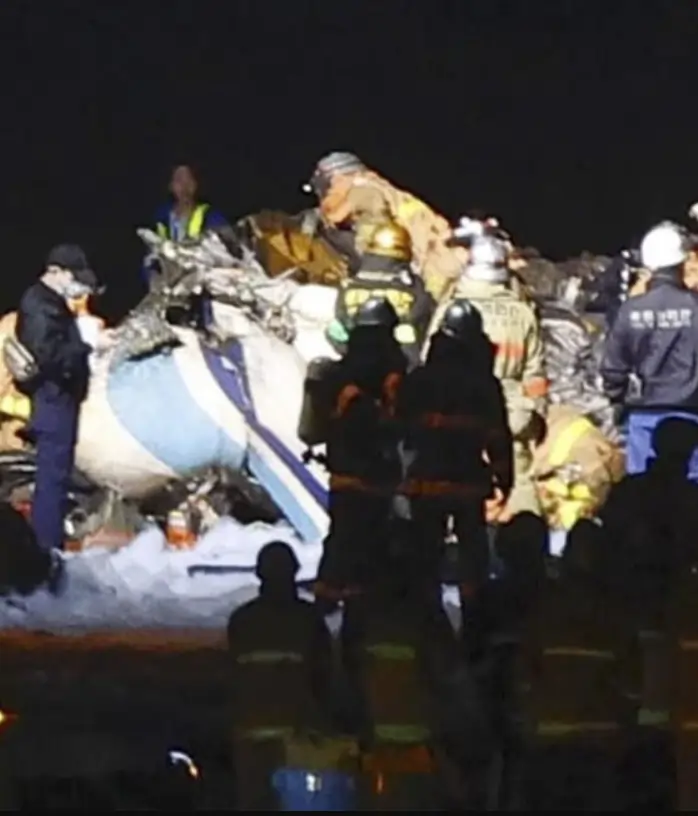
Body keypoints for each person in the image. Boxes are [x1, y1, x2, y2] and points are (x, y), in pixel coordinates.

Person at [398, 299, 513, 650]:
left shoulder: (419, 379)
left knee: (425, 557)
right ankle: (474, 626)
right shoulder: (485, 384)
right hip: (468, 483)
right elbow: (497, 436)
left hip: (426, 481)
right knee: (473, 559)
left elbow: (401, 429)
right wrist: (505, 478)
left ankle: (427, 625)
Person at [429, 234, 548, 520]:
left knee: (456, 486)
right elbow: (535, 373)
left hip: (457, 413)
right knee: (520, 485)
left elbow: (430, 365)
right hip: (510, 412)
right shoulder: (522, 314)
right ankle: (526, 548)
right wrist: (536, 417)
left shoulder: (451, 310)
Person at [298, 297, 406, 610]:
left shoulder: (334, 375)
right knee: (378, 542)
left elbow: (310, 431)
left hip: (343, 475)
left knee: (342, 539)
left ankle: (327, 599)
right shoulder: (396, 375)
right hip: (384, 474)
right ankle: (368, 603)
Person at [227, 541, 336, 810]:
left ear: (260, 574)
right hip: (298, 743)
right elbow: (325, 680)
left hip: (251, 744)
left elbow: (232, 679)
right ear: (294, 573)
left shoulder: (242, 620)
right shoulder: (307, 620)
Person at [14, 245, 105, 568]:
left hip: (59, 399)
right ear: (57, 272)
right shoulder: (39, 304)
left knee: (57, 476)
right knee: (52, 479)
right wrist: (84, 347)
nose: (78, 287)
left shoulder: (49, 303)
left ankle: (49, 547)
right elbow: (49, 354)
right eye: (75, 278)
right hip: (53, 400)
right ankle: (47, 552)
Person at [341, 571, 460, 810]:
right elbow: (448, 679)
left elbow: (345, 683)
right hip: (421, 746)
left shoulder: (361, 624)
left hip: (377, 745)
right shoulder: (427, 624)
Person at [600, 221, 698, 479]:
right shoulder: (695, 307)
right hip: (691, 416)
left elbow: (613, 367)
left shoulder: (631, 309)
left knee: (642, 491)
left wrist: (617, 398)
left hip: (643, 416)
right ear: (680, 262)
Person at [302, 152, 461, 299]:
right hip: (443, 265)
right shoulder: (383, 189)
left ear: (336, 179)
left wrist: (368, 276)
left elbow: (374, 232)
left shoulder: (364, 191)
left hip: (429, 273)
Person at [327, 222, 436, 368]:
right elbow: (422, 319)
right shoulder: (414, 289)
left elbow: (339, 326)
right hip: (399, 369)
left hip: (354, 364)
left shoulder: (349, 287)